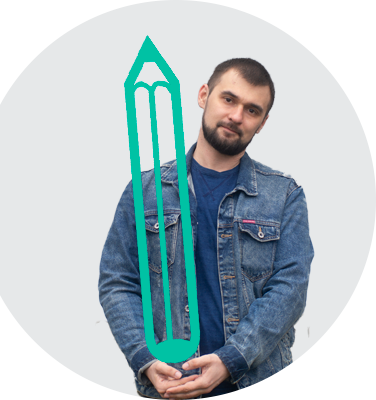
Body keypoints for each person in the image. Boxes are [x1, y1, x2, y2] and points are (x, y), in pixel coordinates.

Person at [99, 58, 314, 400]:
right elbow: (118, 281)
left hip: (262, 390)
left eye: (252, 110)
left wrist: (232, 358)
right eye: (228, 99)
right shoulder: (145, 191)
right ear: (203, 95)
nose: (236, 116)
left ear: (262, 123)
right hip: (172, 386)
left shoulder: (284, 196)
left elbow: (290, 289)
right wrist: (144, 357)